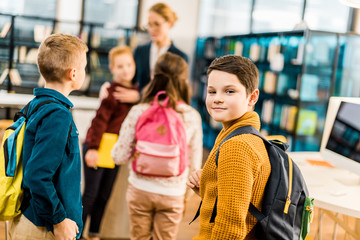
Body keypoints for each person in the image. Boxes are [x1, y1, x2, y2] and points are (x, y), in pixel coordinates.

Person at [111, 52, 202, 240]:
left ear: (153, 77)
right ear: (183, 80)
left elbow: (119, 156)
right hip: (173, 193)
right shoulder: (191, 115)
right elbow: (194, 165)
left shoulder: (139, 110)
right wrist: (185, 198)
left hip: (140, 188)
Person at [7, 33, 88, 240]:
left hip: (29, 218)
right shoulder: (57, 115)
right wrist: (59, 220)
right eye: (85, 67)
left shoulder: (36, 105)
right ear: (73, 73)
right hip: (43, 227)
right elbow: (38, 175)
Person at [186, 55, 271, 239]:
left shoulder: (237, 146)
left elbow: (230, 229)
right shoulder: (237, 134)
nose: (217, 99)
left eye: (229, 91)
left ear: (252, 97)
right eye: (212, 91)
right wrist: (208, 188)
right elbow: (237, 205)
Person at [81, 46, 137, 240]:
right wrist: (93, 149)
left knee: (104, 195)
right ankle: (76, 234)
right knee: (90, 194)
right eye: (120, 66)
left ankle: (94, 233)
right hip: (98, 146)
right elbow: (99, 122)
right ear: (112, 68)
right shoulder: (112, 92)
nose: (126, 70)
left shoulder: (136, 92)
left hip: (115, 149)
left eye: (129, 65)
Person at [99, 2, 188, 101]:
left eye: (157, 24)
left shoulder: (180, 57)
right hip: (139, 109)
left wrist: (140, 96)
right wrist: (108, 86)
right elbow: (128, 79)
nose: (152, 29)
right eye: (149, 25)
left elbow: (177, 93)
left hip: (164, 112)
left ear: (169, 24)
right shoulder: (140, 51)